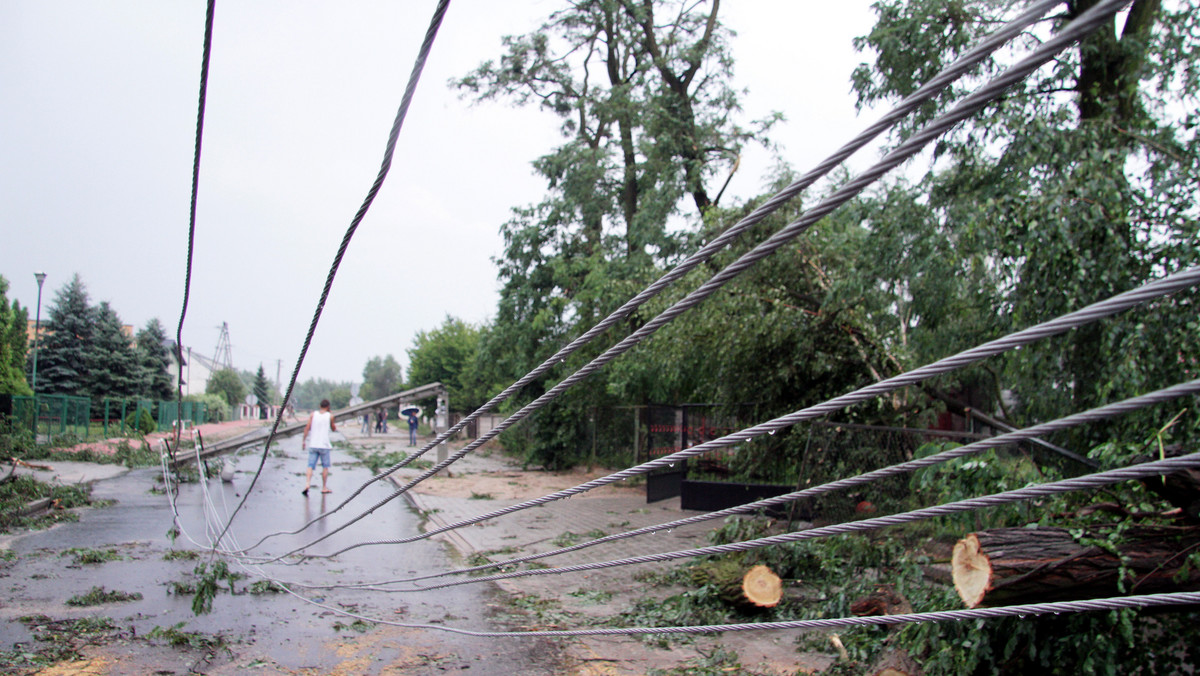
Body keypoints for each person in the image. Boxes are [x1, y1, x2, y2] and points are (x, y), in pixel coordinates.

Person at [302, 399, 337, 495]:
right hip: (324, 445)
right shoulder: (330, 416)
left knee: (310, 465)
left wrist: (304, 441)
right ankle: (324, 487)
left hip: (313, 444)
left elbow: (307, 428)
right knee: (325, 467)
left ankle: (307, 484)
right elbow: (334, 428)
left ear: (319, 405)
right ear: (328, 407)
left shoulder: (313, 415)